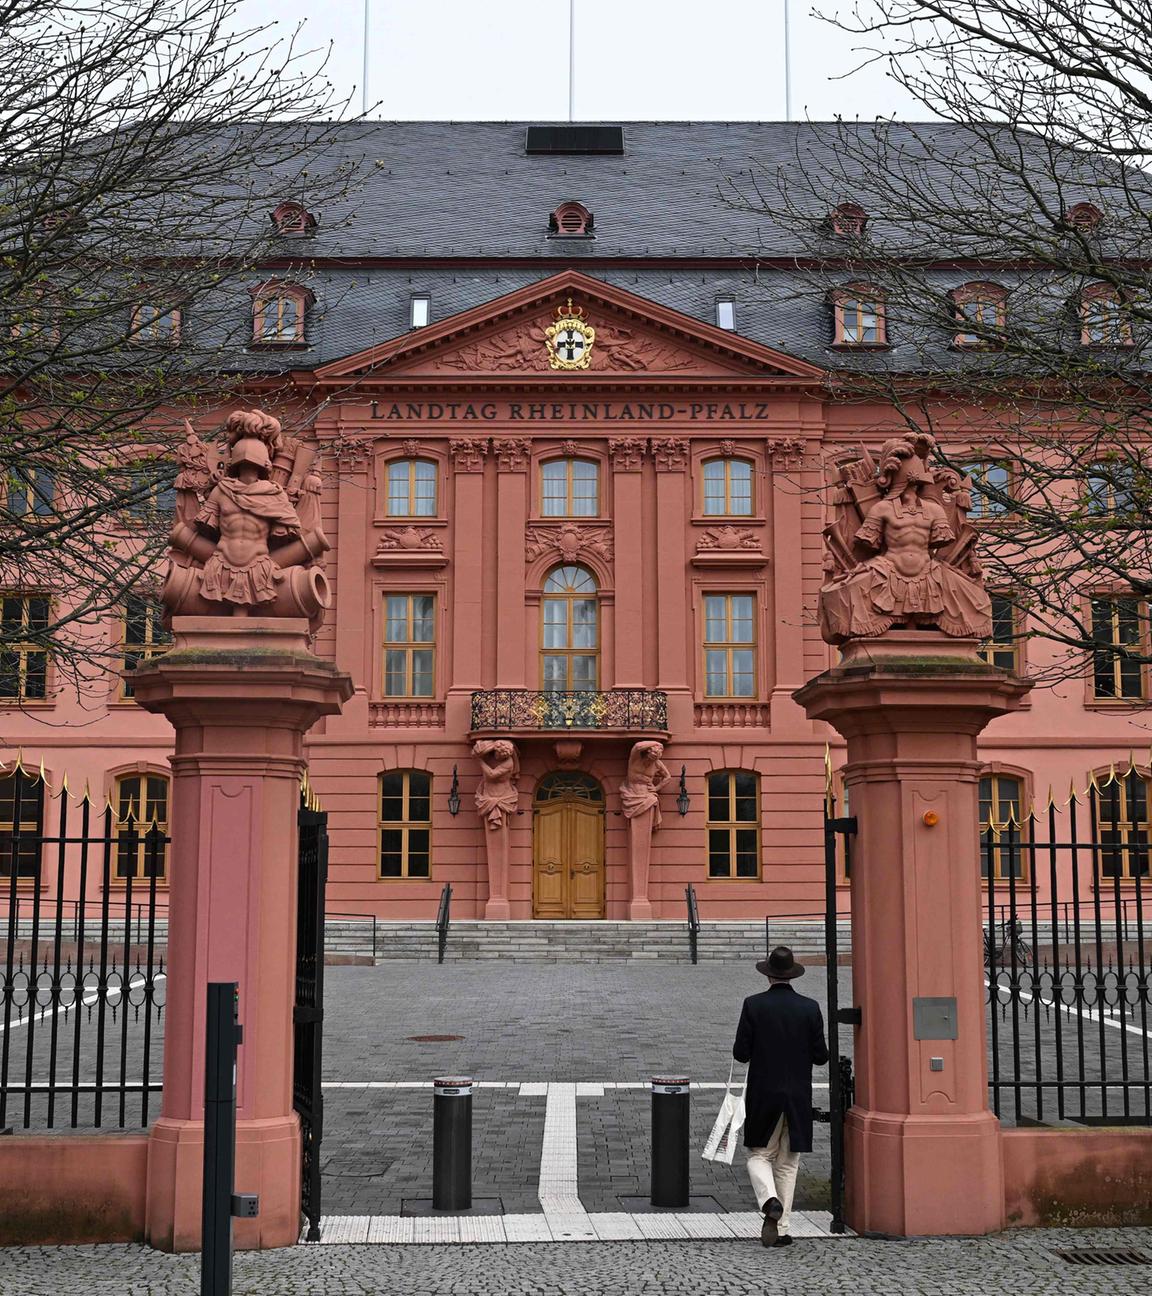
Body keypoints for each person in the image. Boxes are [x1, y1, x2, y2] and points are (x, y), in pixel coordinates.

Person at [733, 945, 829, 1247]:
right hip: (798, 1094)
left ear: (769, 975)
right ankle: (783, 1228)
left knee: (759, 1155)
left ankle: (769, 1200)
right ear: (791, 975)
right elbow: (821, 1057)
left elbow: (741, 1053)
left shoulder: (753, 1005)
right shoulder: (810, 1007)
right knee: (788, 1163)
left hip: (765, 1093)